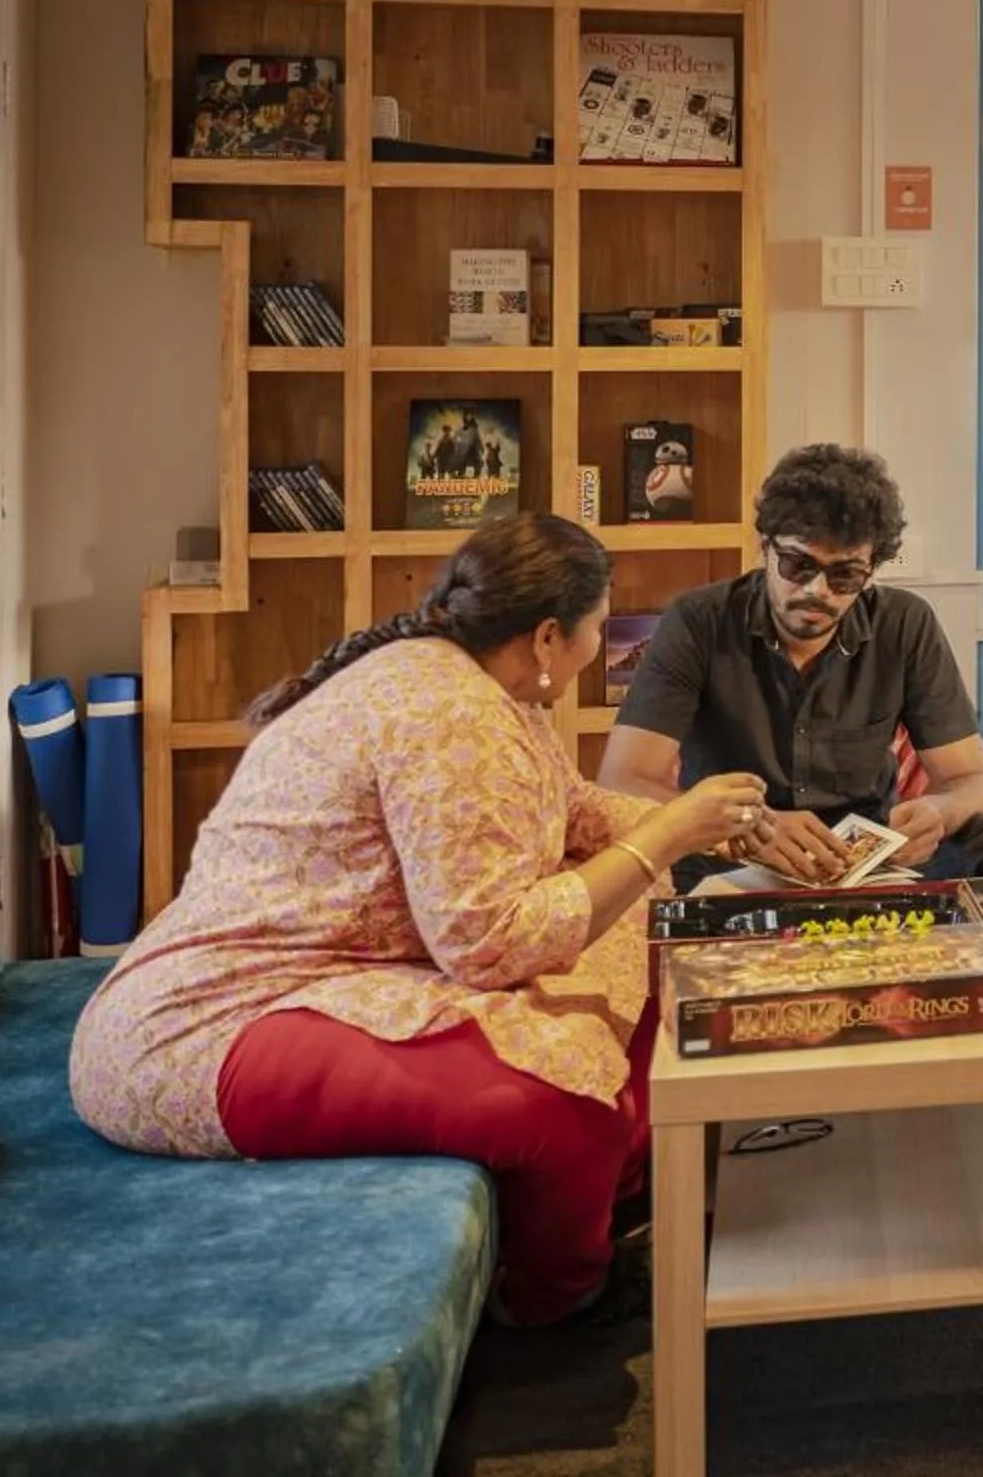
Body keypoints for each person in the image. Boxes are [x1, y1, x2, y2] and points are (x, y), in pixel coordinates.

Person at [69, 513, 768, 1325]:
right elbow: (488, 941)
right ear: (547, 638)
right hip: (215, 1018)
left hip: (346, 967)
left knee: (645, 943)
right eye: (597, 626)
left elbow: (569, 809)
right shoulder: (452, 713)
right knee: (559, 1102)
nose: (600, 642)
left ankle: (621, 1199)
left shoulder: (489, 687)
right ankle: (556, 1301)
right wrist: (670, 834)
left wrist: (702, 823)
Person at [600, 444, 983, 889]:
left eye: (845, 574)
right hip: (734, 859)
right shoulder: (699, 620)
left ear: (871, 570)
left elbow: (970, 782)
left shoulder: (904, 624)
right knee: (649, 860)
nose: (818, 591)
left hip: (869, 864)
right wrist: (750, 826)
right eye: (798, 566)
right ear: (764, 547)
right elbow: (624, 779)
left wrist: (938, 811)